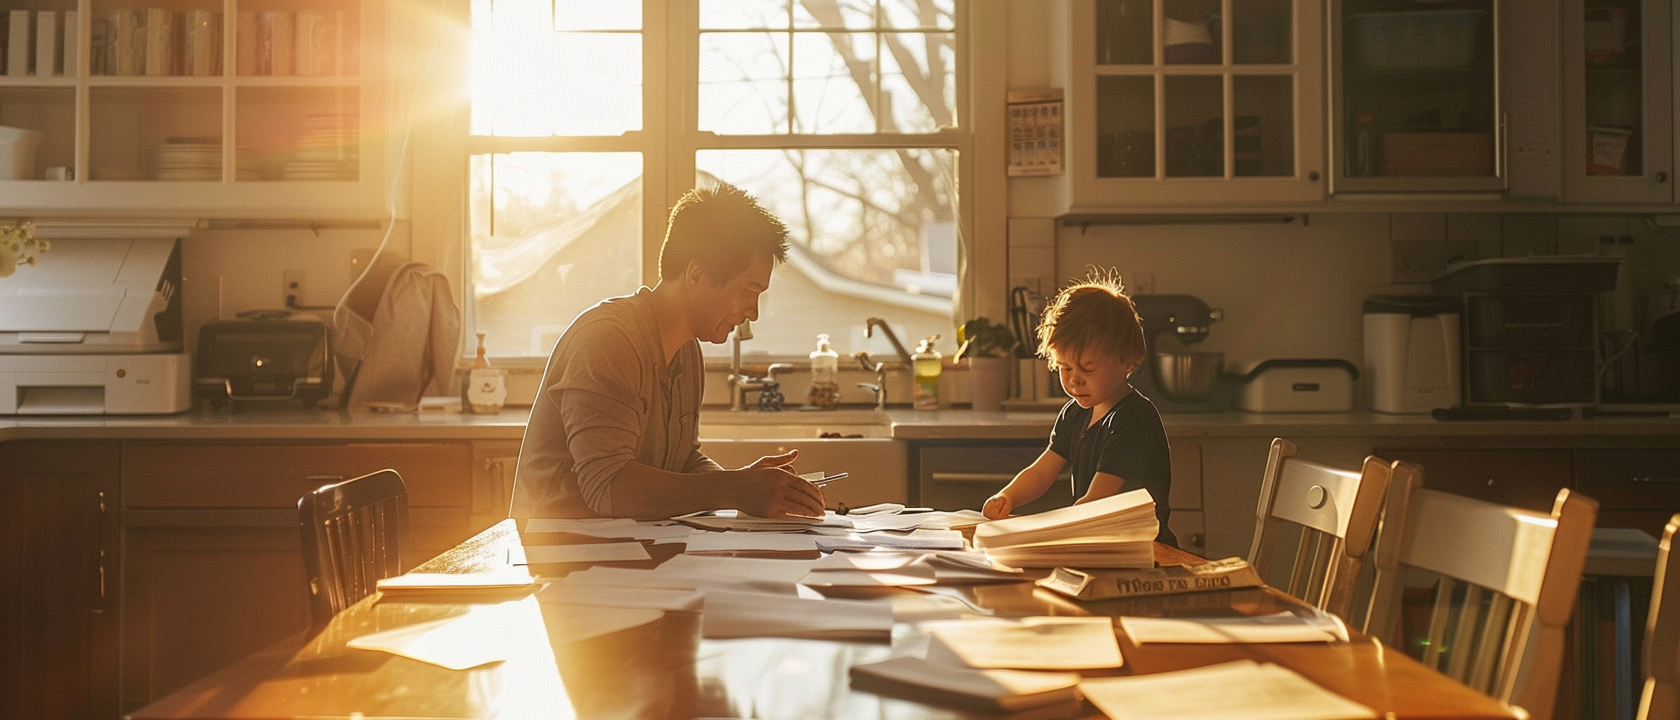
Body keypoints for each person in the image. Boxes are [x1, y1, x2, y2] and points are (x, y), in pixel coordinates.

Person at [510, 184, 826, 521]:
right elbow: (608, 486)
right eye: (750, 290)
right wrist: (735, 488)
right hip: (559, 551)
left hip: (625, 544)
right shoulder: (608, 340)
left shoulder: (687, 351)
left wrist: (742, 483)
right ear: (696, 273)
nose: (753, 312)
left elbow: (683, 462)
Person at [981, 271, 1177, 547]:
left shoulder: (1134, 420)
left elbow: (1097, 501)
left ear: (1128, 361)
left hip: (1146, 550)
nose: (1074, 379)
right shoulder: (1075, 414)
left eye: (1087, 368)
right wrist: (1008, 496)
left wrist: (1041, 531)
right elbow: (1041, 473)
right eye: (1065, 367)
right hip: (1098, 544)